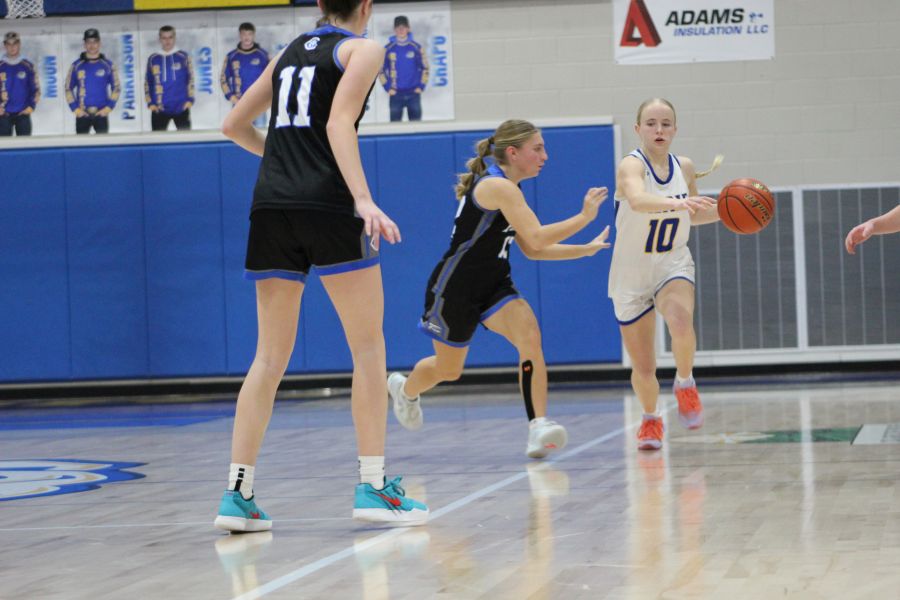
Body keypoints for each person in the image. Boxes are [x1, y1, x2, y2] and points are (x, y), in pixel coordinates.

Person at [215, 0, 428, 533]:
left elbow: (233, 125)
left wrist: (285, 166)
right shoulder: (364, 48)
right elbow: (339, 123)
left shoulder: (287, 51)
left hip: (271, 206)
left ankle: (237, 495)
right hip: (329, 203)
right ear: (367, 8)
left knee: (268, 357)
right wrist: (362, 198)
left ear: (317, 5)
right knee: (368, 346)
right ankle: (373, 485)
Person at [387, 119, 611, 458]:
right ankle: (406, 390)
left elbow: (532, 249)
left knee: (530, 337)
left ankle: (538, 427)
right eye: (537, 149)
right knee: (449, 370)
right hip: (455, 288)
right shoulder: (497, 186)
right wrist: (584, 217)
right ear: (513, 152)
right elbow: (536, 237)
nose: (545, 156)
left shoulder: (510, 189)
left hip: (494, 285)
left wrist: (585, 248)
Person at [609, 98, 720, 451]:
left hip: (671, 262)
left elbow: (694, 214)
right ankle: (651, 418)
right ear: (638, 129)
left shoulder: (683, 166)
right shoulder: (631, 165)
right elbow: (639, 201)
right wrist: (677, 202)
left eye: (666, 124)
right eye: (652, 123)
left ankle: (685, 383)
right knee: (643, 365)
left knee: (680, 319)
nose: (659, 130)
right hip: (630, 272)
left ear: (675, 129)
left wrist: (730, 214)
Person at [65, 28, 119, 134]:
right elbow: (68, 88)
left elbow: (116, 87)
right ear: (84, 44)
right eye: (89, 42)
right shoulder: (76, 66)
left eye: (95, 42)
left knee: (103, 147)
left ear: (99, 44)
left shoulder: (108, 65)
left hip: (101, 114)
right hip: (82, 114)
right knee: (80, 148)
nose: (92, 45)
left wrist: (108, 108)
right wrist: (75, 109)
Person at [221, 22, 269, 128]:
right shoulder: (231, 56)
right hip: (239, 103)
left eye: (249, 34)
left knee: (260, 136)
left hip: (259, 103)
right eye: (244, 34)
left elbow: (271, 78)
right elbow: (223, 79)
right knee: (239, 136)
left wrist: (266, 99)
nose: (247, 37)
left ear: (254, 35)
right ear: (240, 35)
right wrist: (231, 97)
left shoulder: (263, 55)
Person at [379, 15, 428, 122]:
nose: (401, 30)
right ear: (394, 30)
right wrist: (387, 87)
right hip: (395, 95)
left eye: (403, 27)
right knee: (394, 130)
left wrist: (421, 86)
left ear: (408, 28)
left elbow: (425, 68)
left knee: (417, 128)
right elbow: (380, 70)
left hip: (413, 95)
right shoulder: (387, 49)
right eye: (398, 28)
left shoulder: (416, 48)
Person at [145, 25, 193, 131]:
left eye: (170, 37)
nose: (167, 41)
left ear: (175, 38)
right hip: (159, 109)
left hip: (181, 108)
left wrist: (190, 100)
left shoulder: (183, 57)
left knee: (186, 142)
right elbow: (148, 82)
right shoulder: (153, 59)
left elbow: (190, 80)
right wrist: (151, 103)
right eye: (164, 38)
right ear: (160, 39)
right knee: (157, 144)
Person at [0, 31, 39, 136]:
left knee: (26, 148)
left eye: (15, 43)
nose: (12, 47)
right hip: (3, 115)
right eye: (9, 44)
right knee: (3, 149)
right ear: (5, 46)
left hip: (23, 114)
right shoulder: (1, 66)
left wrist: (31, 107)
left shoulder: (28, 66)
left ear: (19, 44)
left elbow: (36, 90)